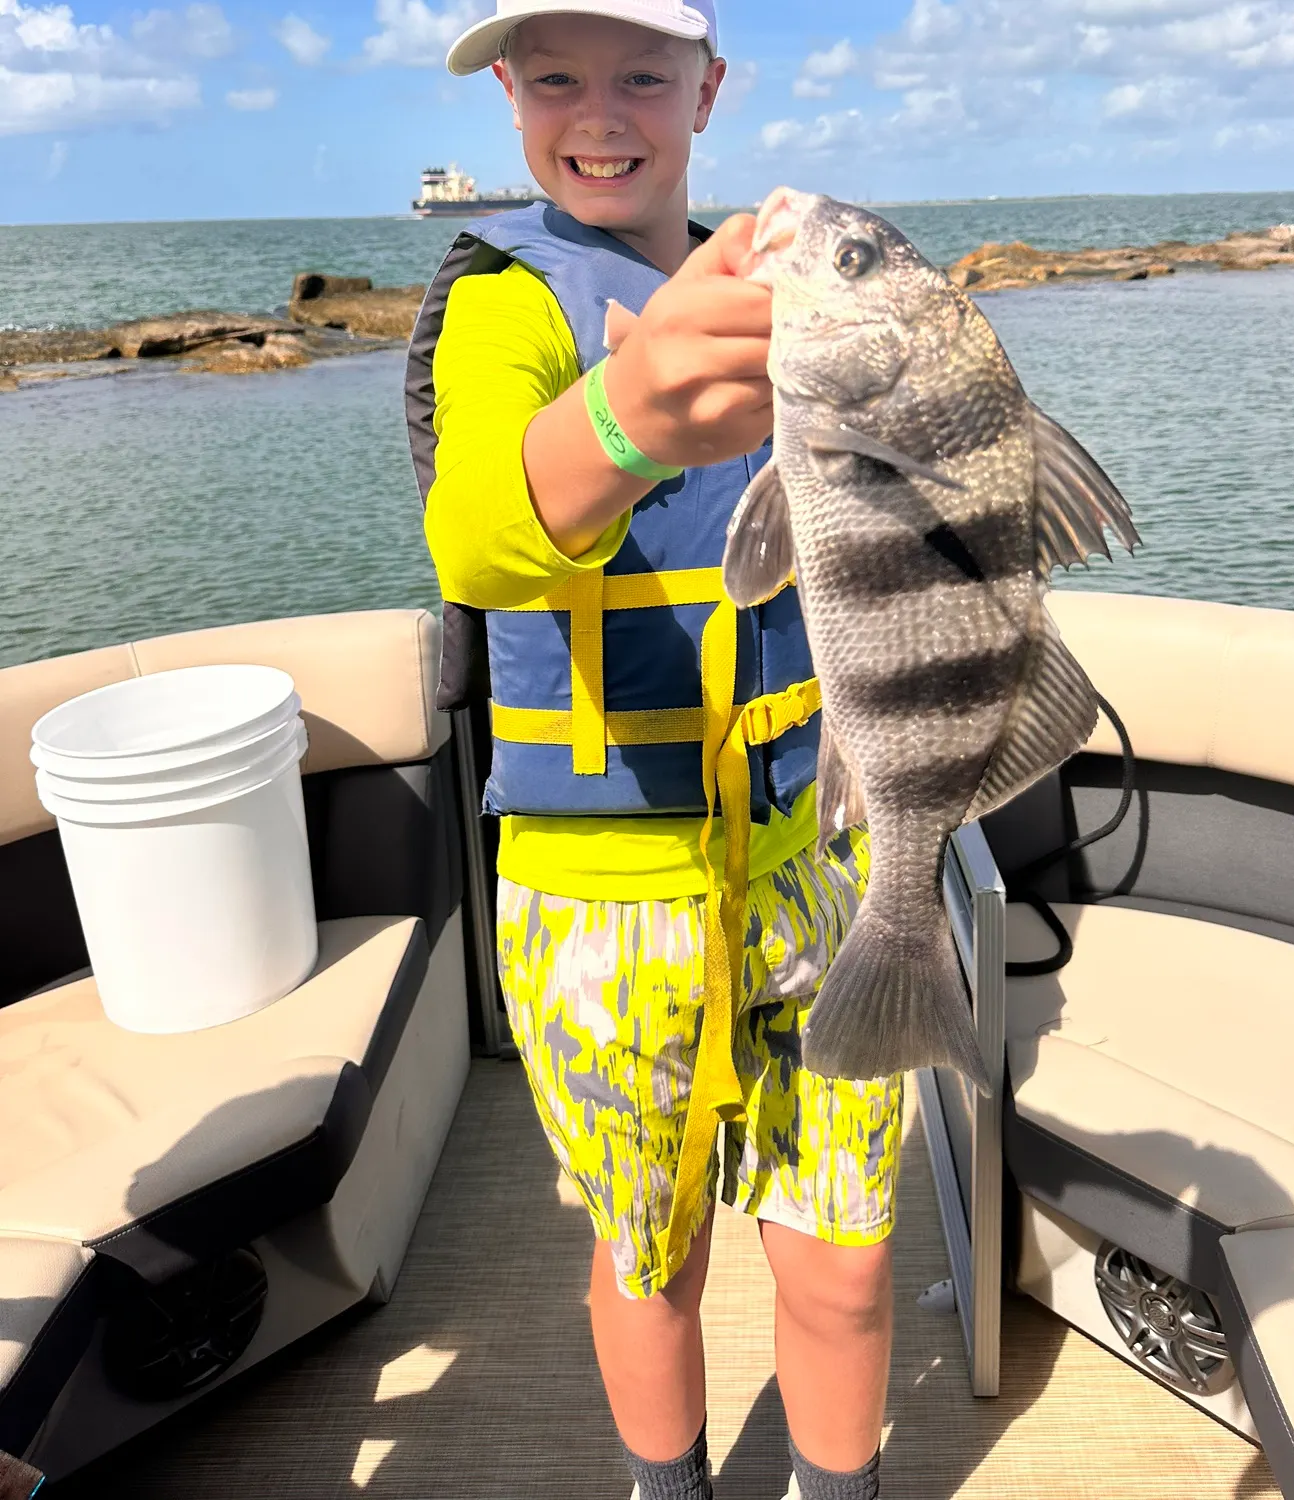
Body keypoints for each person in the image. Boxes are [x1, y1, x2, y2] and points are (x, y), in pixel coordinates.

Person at [408, 5, 902, 1497]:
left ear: (710, 88)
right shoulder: (502, 301)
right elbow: (480, 538)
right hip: (602, 888)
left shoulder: (794, 282)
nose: (599, 112)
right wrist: (625, 417)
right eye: (555, 76)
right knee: (649, 1256)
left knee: (850, 1263)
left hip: (822, 853)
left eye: (641, 73)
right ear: (507, 96)